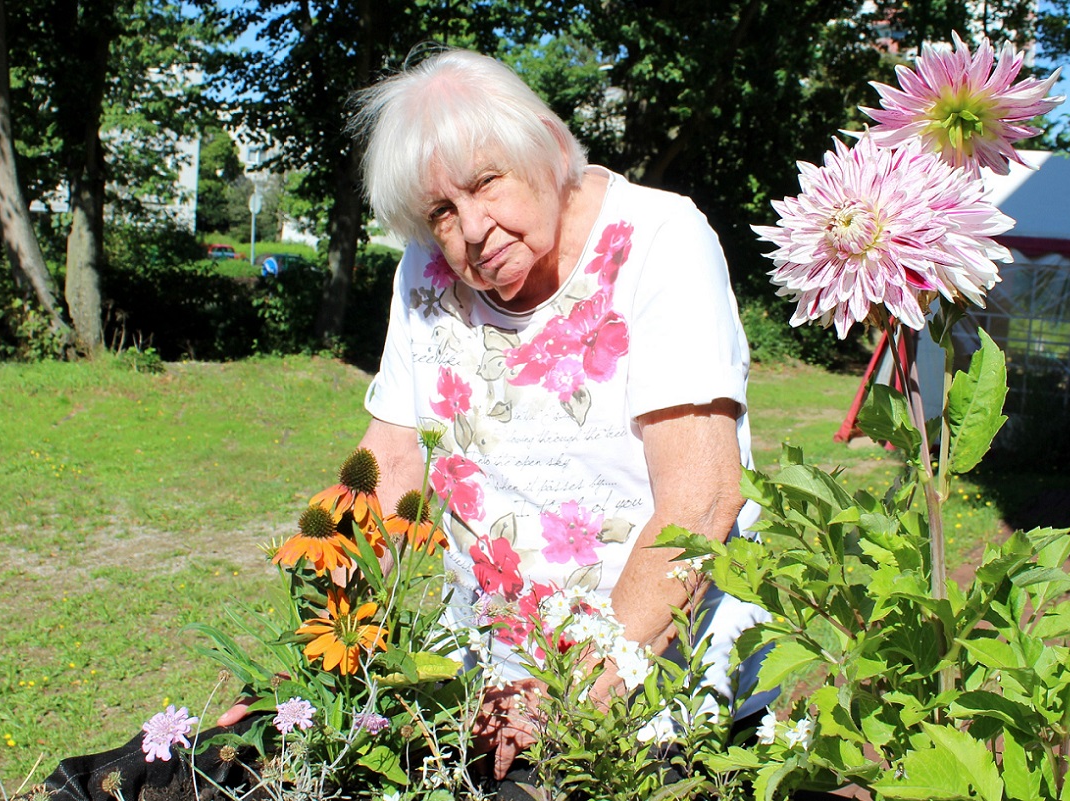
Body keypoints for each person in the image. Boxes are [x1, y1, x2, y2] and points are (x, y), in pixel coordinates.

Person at [220, 47, 775, 784]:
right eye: (441, 212)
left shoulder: (660, 242)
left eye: (486, 183)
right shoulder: (424, 269)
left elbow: (701, 503)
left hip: (655, 683)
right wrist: (314, 659)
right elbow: (387, 467)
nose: (472, 230)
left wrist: (570, 692)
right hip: (480, 688)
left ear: (546, 147)